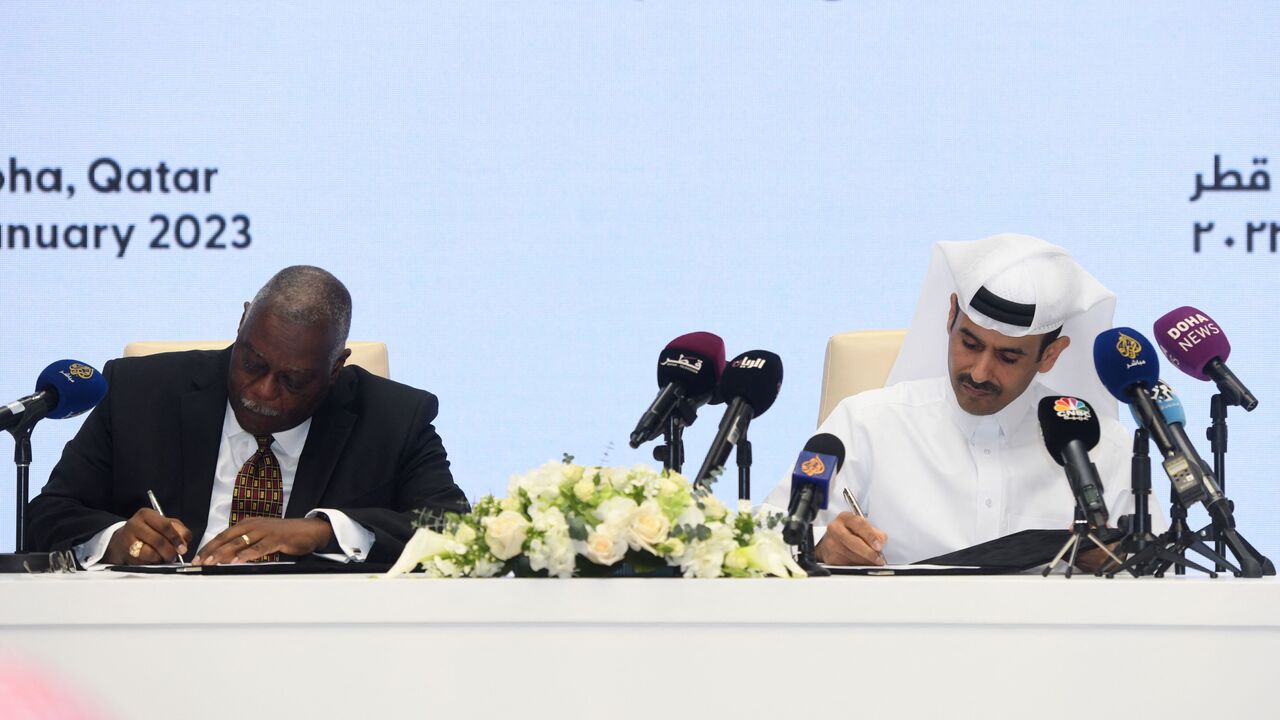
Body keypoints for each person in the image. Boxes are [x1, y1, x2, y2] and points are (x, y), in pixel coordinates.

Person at [26, 265, 468, 566]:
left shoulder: (395, 418)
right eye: (252, 364)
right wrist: (115, 539)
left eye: (293, 381)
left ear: (336, 367)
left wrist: (324, 532)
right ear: (241, 324)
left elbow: (454, 528)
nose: (262, 393)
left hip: (321, 644)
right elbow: (46, 517)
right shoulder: (139, 392)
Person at [764, 234, 1161, 567]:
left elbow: (1166, 569)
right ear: (951, 316)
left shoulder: (1102, 447)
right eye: (969, 343)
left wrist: (1119, 563)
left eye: (1009, 357)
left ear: (1051, 355)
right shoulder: (865, 422)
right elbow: (762, 538)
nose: (980, 372)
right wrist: (818, 546)